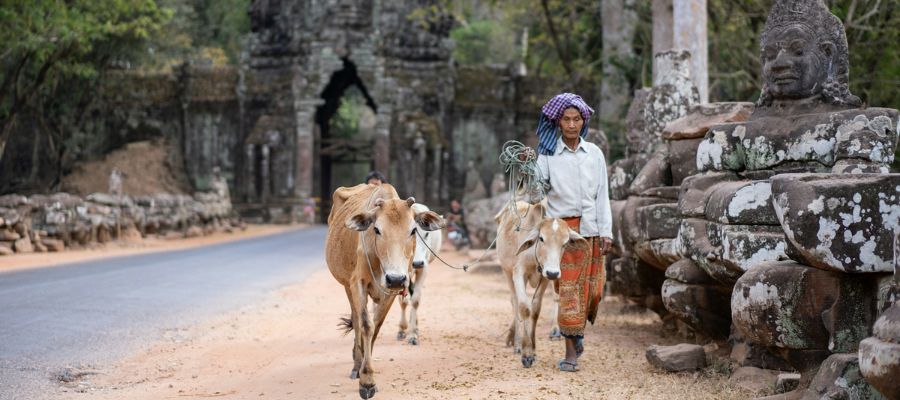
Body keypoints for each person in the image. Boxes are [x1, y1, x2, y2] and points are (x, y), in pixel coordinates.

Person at [531, 93, 613, 372]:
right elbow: (535, 193)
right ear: (557, 122)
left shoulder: (595, 154)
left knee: (593, 291)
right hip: (561, 234)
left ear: (583, 121)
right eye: (566, 119)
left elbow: (603, 196)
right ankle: (570, 353)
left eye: (576, 119)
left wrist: (607, 232)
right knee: (568, 291)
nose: (571, 124)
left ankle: (576, 333)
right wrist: (527, 167)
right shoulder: (547, 155)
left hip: (591, 230)